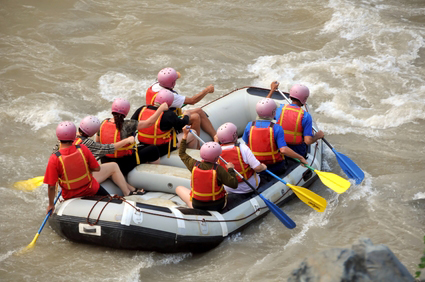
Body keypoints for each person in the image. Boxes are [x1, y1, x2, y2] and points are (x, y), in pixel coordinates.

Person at [52, 116, 143, 196]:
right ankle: (127, 192)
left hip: (65, 181)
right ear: (92, 133)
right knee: (113, 166)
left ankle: (131, 188)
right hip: (82, 182)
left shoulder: (61, 143)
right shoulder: (87, 143)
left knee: (106, 168)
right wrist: (126, 141)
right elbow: (108, 148)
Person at [44, 121, 109, 214]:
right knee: (110, 200)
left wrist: (51, 205)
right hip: (91, 189)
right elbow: (97, 168)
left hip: (70, 196)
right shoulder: (83, 149)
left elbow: (51, 186)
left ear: (58, 137)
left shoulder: (54, 158)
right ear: (74, 136)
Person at [97, 98, 168, 175]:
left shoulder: (103, 123)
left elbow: (98, 142)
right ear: (126, 112)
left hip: (105, 161)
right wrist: (161, 109)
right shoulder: (128, 124)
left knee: (142, 147)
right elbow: (149, 123)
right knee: (153, 149)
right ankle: (154, 175)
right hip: (123, 164)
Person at [175, 126, 238, 212]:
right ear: (217, 158)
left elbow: (181, 153)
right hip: (217, 206)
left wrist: (185, 135)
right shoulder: (218, 169)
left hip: (197, 205)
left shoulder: (194, 165)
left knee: (178, 188)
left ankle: (193, 208)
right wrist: (231, 169)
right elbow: (234, 184)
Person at [145, 67, 217, 139]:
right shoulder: (169, 95)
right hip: (165, 122)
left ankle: (215, 136)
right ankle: (197, 145)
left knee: (199, 111)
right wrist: (207, 90)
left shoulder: (155, 86)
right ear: (173, 83)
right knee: (195, 117)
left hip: (157, 117)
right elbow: (192, 101)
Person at [242, 98, 308, 174]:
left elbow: (246, 145)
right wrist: (300, 158)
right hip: (275, 167)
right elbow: (283, 150)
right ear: (273, 112)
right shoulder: (277, 128)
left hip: (256, 165)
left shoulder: (249, 125)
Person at [132, 89, 199, 157]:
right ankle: (191, 157)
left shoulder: (141, 109)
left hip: (143, 143)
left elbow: (131, 124)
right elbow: (182, 124)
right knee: (192, 133)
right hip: (162, 148)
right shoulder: (168, 114)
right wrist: (186, 115)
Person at [267, 81, 325, 157]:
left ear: (290, 97)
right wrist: (317, 136)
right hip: (297, 152)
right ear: (305, 99)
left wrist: (272, 90)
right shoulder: (306, 116)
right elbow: (308, 141)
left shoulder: (281, 109)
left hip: (278, 148)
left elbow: (265, 106)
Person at [216, 122, 267, 194]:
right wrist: (263, 167)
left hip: (229, 188)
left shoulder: (216, 152)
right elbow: (257, 168)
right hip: (249, 186)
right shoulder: (242, 148)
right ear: (234, 135)